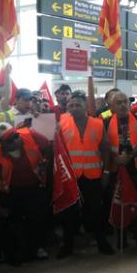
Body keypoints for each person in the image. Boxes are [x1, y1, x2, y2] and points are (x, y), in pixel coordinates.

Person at [56, 91, 114, 258]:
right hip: (71, 177)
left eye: (78, 105)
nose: (74, 108)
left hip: (93, 176)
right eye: (71, 105)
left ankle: (102, 242)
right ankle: (67, 246)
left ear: (85, 107)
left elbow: (105, 149)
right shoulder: (61, 123)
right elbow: (58, 151)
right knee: (69, 213)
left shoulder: (97, 123)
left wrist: (107, 171)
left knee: (96, 211)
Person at [0, 122, 52, 265]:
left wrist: (45, 160)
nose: (16, 140)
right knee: (17, 223)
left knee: (38, 218)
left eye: (16, 136)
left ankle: (40, 247)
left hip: (35, 186)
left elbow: (47, 146)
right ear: (1, 143)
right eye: (10, 140)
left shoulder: (30, 135)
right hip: (12, 191)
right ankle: (23, 251)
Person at [104, 91, 137, 249]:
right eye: (119, 102)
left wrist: (130, 156)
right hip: (115, 169)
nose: (123, 105)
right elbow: (103, 145)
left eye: (125, 101)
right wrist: (114, 157)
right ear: (111, 106)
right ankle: (121, 239)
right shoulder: (104, 123)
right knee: (118, 204)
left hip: (136, 169)